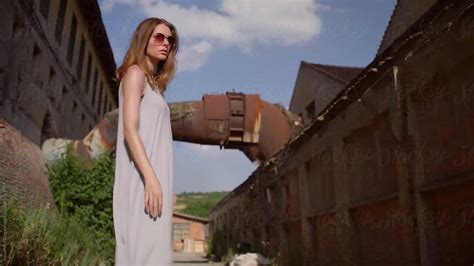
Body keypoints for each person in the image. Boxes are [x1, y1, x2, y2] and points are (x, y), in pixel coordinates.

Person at [113, 17, 179, 265]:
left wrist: (163, 184)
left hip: (154, 183)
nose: (166, 43)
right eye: (159, 37)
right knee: (142, 255)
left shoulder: (155, 87)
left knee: (155, 255)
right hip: (142, 181)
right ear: (144, 39)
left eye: (170, 40)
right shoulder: (135, 73)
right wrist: (151, 179)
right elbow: (130, 129)